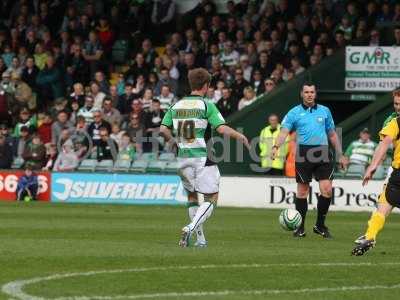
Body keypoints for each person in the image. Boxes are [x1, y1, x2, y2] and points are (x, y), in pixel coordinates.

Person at [160, 68, 249, 248]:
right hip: (202, 157)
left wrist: (174, 142)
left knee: (192, 196)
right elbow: (221, 128)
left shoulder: (176, 105)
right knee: (212, 198)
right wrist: (240, 136)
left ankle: (200, 240)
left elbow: (163, 129)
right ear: (207, 85)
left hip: (182, 157)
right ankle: (190, 228)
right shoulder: (207, 105)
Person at [272, 83, 345, 238]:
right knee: (303, 191)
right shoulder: (294, 112)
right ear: (301, 94)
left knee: (327, 190)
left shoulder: (325, 111)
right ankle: (300, 227)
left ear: (315, 94)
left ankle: (320, 225)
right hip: (304, 153)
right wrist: (276, 146)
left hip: (323, 152)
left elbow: (332, 134)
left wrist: (340, 153)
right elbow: (284, 131)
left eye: (312, 92)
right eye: (306, 92)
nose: (309, 95)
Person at [351, 115, 400, 255]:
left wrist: (373, 166)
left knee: (383, 206)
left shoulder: (396, 122)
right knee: (383, 203)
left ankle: (370, 236)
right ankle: (369, 236)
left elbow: (385, 143)